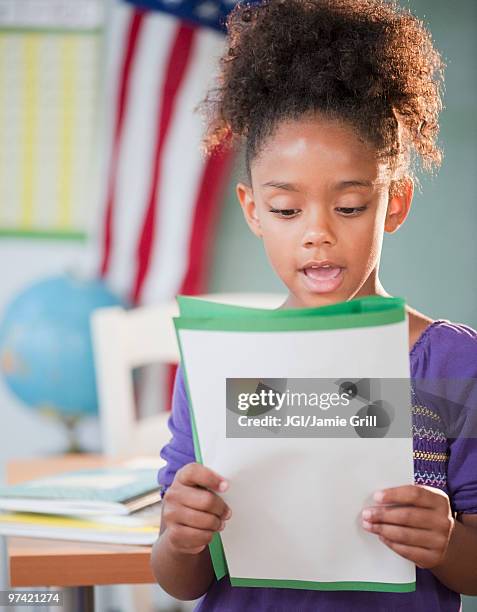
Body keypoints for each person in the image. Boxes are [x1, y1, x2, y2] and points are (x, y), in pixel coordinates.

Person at [151, 0, 477, 609]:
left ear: (395, 203)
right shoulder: (218, 362)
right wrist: (181, 534)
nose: (317, 233)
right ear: (253, 210)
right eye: (285, 209)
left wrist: (448, 540)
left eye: (349, 206)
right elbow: (180, 578)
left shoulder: (452, 364)